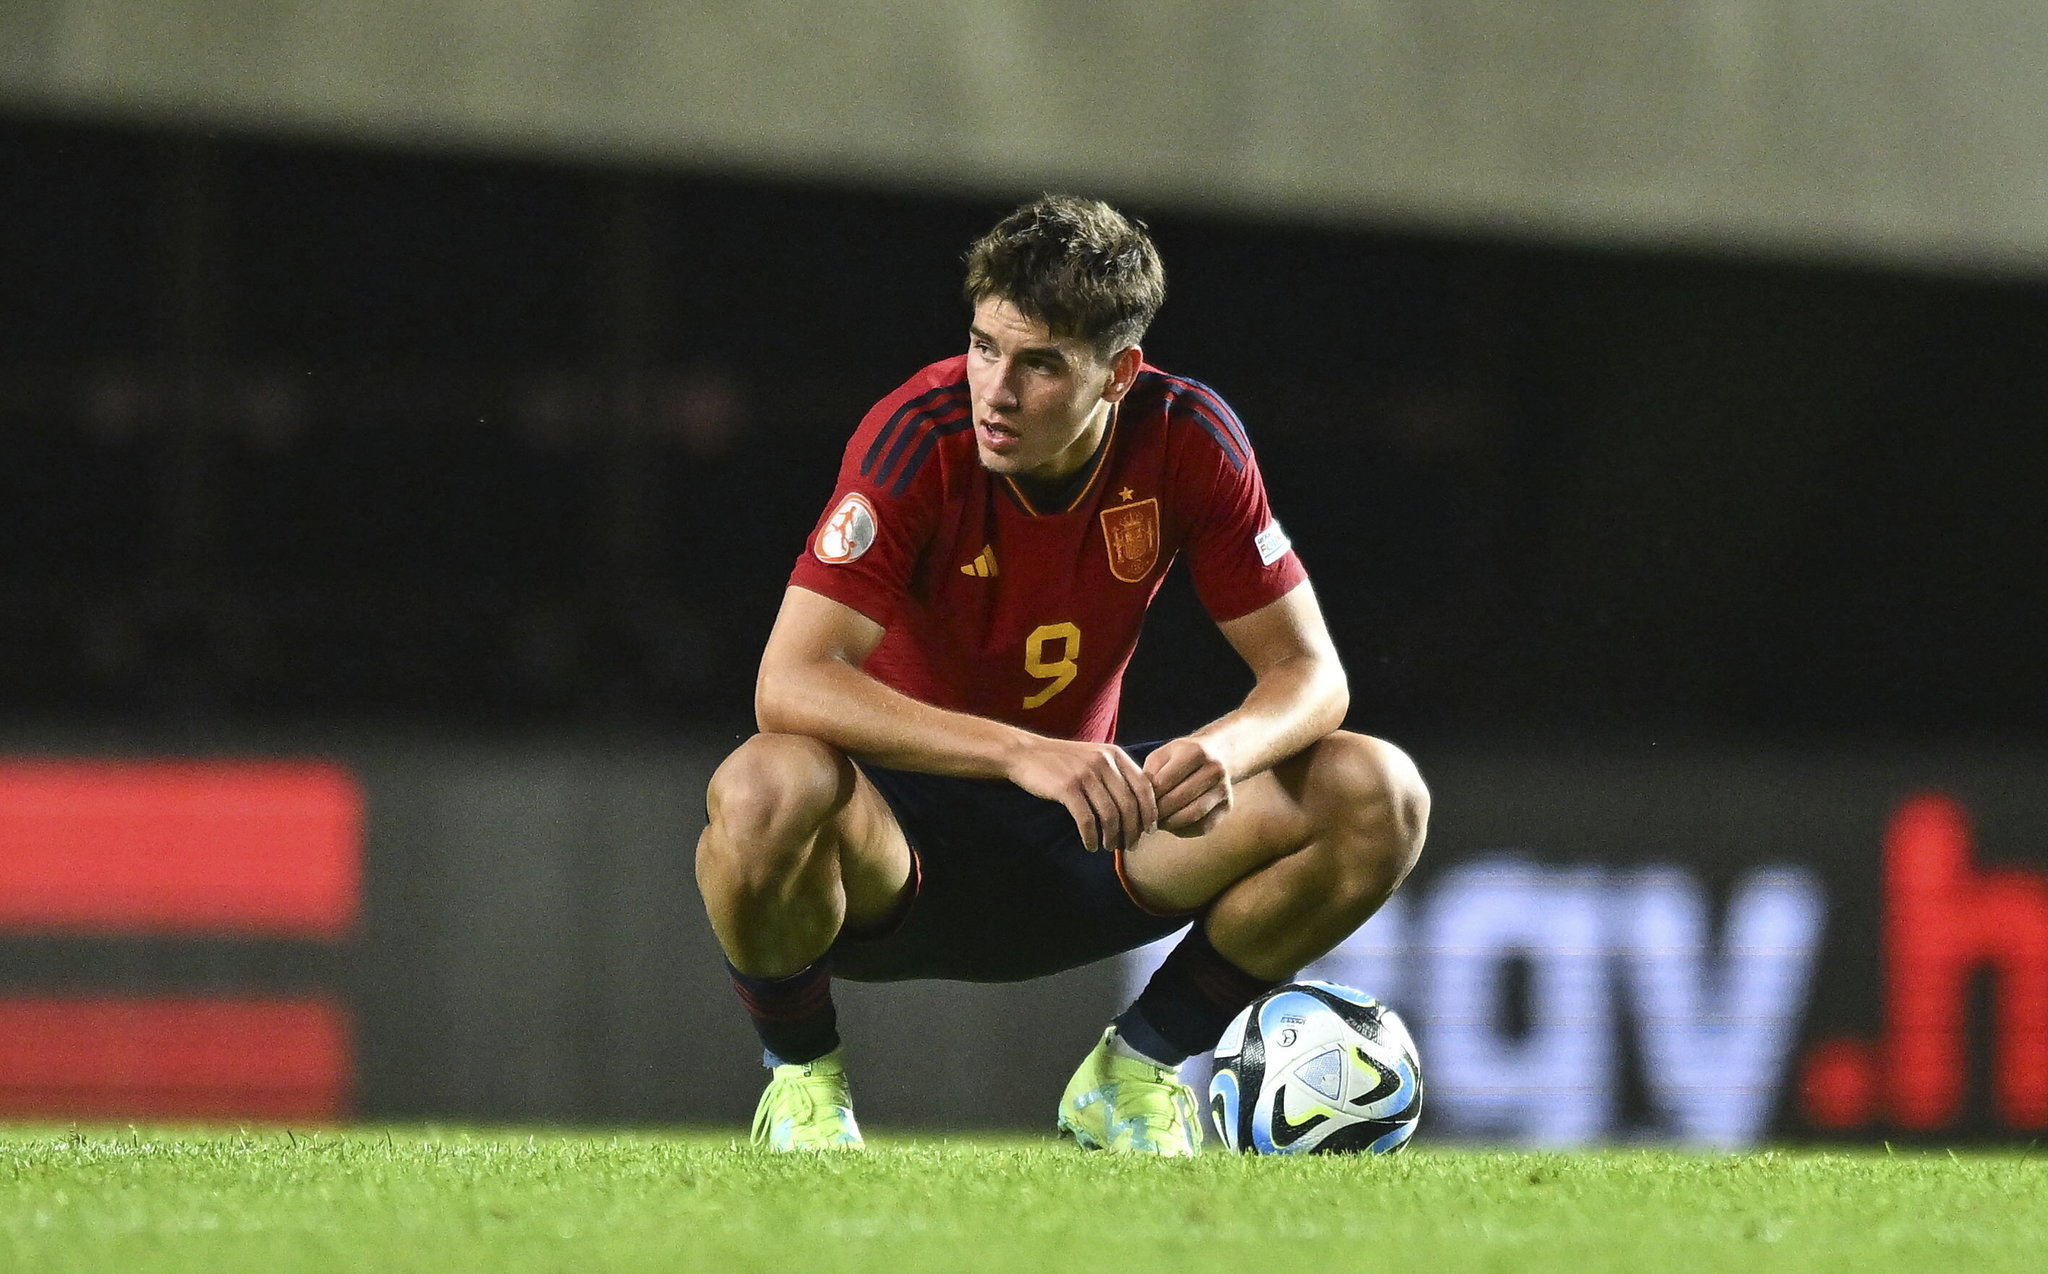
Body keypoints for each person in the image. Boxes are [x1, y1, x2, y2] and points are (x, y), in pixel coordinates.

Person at [694, 195, 1428, 1154]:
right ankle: (803, 1086)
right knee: (762, 782)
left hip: (1087, 839)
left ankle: (1136, 1073)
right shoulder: (918, 435)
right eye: (984, 345)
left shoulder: (1188, 438)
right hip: (887, 856)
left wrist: (1222, 750)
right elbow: (789, 683)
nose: (994, 390)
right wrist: (1021, 753)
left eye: (1040, 363)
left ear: (1118, 373)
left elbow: (1309, 675)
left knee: (1379, 792)